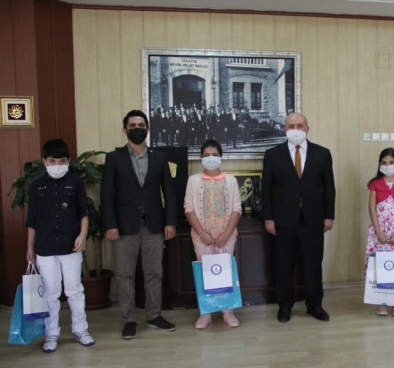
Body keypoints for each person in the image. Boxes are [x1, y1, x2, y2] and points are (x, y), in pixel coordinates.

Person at [101, 109, 177, 340]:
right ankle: (130, 319)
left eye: (141, 125)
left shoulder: (159, 157)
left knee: (154, 273)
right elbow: (107, 194)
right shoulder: (114, 158)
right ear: (124, 129)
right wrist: (110, 224)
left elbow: (169, 192)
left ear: (147, 129)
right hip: (124, 227)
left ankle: (154, 315)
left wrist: (170, 221)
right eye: (132, 126)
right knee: (125, 275)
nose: (137, 129)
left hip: (154, 225)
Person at [262, 112, 336, 323]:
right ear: (284, 129)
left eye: (300, 125)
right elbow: (266, 190)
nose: (295, 129)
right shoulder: (272, 155)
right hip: (283, 220)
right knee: (284, 264)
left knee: (313, 264)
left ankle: (314, 305)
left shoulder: (322, 154)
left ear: (307, 128)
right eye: (291, 126)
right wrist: (268, 218)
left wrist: (329, 216)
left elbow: (329, 188)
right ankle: (285, 306)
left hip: (313, 219)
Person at [26, 139, 94, 353]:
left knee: (74, 290)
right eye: (53, 161)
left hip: (71, 245)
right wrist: (30, 247)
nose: (57, 165)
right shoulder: (36, 185)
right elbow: (32, 220)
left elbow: (84, 212)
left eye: (62, 161)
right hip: (45, 247)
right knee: (50, 293)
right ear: (44, 161)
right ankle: (51, 333)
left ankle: (80, 329)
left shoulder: (75, 182)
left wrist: (83, 235)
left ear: (69, 161)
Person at [184, 139, 242, 329]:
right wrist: (202, 233)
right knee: (204, 272)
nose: (211, 158)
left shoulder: (231, 181)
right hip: (201, 236)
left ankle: (228, 312)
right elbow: (189, 209)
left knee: (225, 271)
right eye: (206, 155)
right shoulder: (193, 180)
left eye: (215, 155)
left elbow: (237, 209)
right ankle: (206, 313)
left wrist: (226, 233)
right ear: (201, 158)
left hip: (226, 235)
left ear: (221, 157)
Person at [364, 148, 394, 316]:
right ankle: (381, 302)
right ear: (379, 164)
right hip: (379, 230)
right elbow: (371, 208)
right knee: (380, 265)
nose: (388, 166)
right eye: (384, 163)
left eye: (391, 162)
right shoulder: (375, 183)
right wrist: (378, 232)